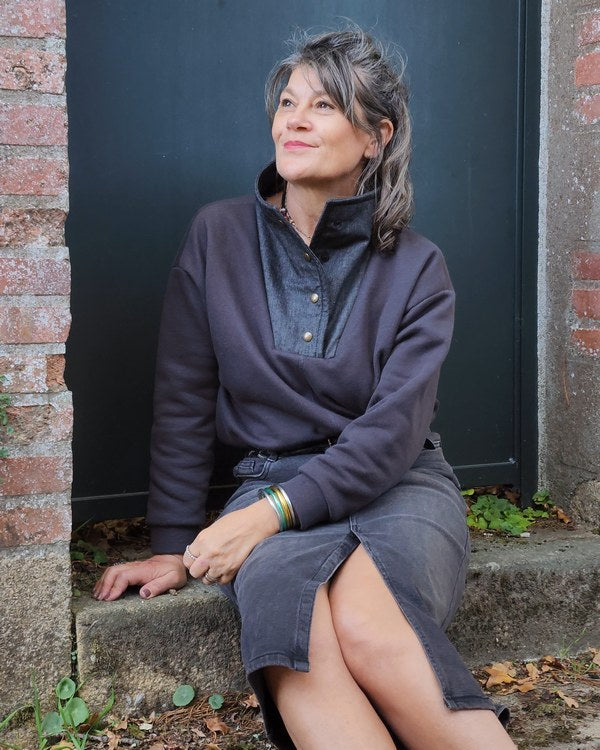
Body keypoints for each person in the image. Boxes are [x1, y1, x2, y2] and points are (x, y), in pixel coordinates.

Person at [94, 28, 516, 750]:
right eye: (287, 102)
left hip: (397, 488)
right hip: (268, 483)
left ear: (375, 137)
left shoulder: (419, 268)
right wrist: (173, 542)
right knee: (298, 642)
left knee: (368, 626)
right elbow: (184, 399)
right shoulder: (218, 237)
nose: (293, 120)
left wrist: (266, 517)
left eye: (323, 106)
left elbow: (392, 435)